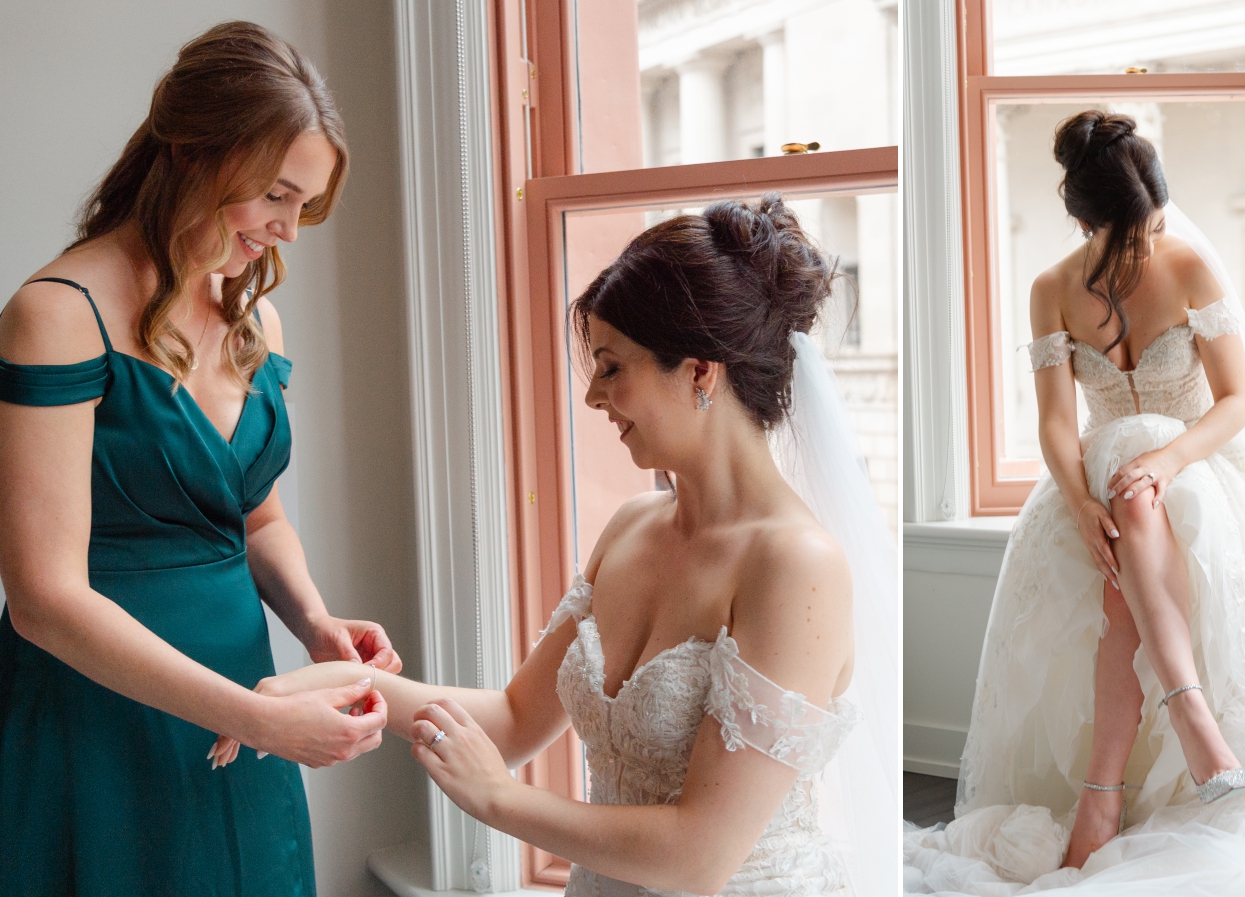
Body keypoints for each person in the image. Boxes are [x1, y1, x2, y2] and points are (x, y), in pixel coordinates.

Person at [214, 194, 898, 897]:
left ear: (700, 373)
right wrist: (335, 683)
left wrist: (500, 801)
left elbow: (700, 856)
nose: (595, 398)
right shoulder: (632, 525)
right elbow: (513, 720)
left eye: (612, 367)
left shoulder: (796, 567)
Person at [903, 110, 1245, 894]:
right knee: (1122, 503)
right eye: (1127, 232)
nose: (1142, 247)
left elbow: (1238, 400)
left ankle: (1106, 793)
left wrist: (1166, 459)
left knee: (1137, 498)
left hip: (1192, 473)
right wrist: (1079, 503)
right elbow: (1053, 419)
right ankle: (1186, 712)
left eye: (1148, 228)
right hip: (1099, 489)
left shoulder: (1191, 269)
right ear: (1085, 219)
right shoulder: (1049, 289)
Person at [0, 22, 398, 896]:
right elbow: (42, 598)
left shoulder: (257, 322)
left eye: (307, 205)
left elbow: (257, 518)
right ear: (195, 150)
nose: (289, 230)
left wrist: (315, 622)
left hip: (246, 702)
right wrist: (253, 713)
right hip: (100, 714)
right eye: (276, 195)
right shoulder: (57, 315)